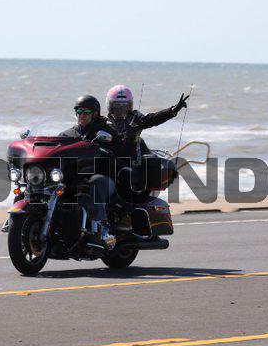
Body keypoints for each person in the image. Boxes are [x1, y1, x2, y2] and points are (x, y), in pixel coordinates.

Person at [105, 84, 189, 200]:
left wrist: (173, 110)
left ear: (130, 106)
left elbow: (153, 119)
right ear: (110, 106)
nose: (121, 110)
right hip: (112, 163)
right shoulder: (104, 123)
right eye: (117, 107)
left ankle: (132, 203)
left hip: (133, 163)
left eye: (124, 106)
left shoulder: (135, 118)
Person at [59, 95, 119, 248]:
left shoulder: (106, 132)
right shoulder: (67, 135)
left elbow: (119, 152)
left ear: (95, 113)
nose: (81, 115)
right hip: (75, 179)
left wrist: (106, 152)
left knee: (96, 182)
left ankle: (102, 228)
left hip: (105, 178)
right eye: (79, 111)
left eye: (86, 112)